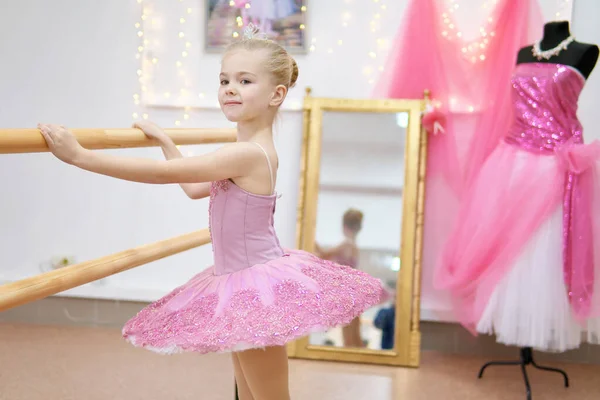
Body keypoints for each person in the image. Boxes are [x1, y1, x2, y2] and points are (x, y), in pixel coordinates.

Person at [37, 24, 387, 400]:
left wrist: (80, 157)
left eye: (245, 80)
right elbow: (191, 187)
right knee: (252, 393)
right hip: (242, 283)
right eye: (224, 80)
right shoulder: (246, 149)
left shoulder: (247, 153)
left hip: (255, 287)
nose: (230, 88)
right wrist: (166, 141)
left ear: (277, 94)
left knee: (268, 395)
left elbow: (163, 176)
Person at [315, 209, 365, 348]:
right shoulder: (353, 244)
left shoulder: (346, 244)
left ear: (344, 226)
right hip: (353, 290)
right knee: (354, 332)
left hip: (348, 292)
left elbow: (323, 255)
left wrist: (312, 240)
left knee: (349, 334)